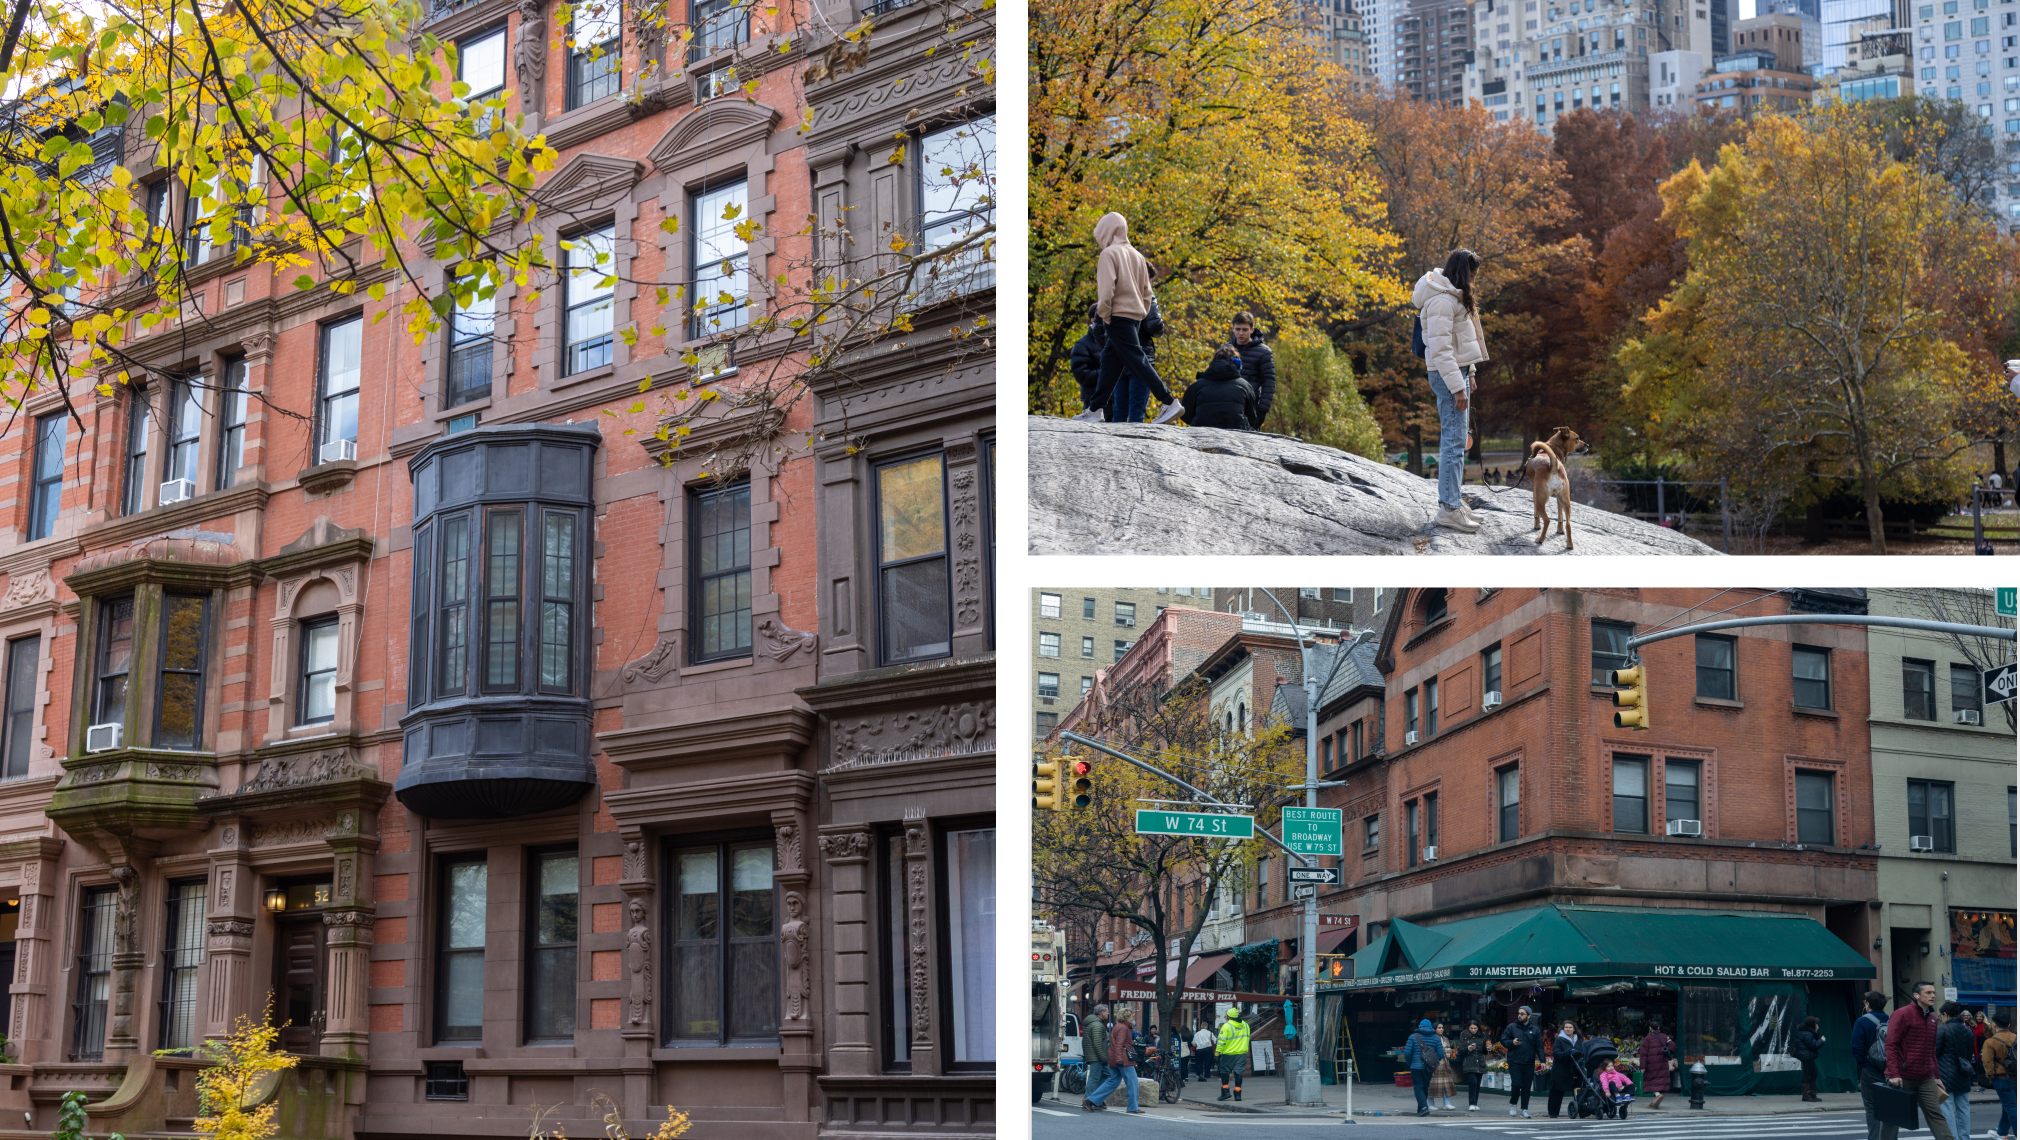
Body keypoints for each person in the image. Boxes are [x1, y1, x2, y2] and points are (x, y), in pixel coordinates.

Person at [1412, 248, 1490, 534]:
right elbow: (1441, 351)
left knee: (1457, 443)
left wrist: (1469, 373)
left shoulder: (1452, 298)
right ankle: (1448, 508)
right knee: (1454, 445)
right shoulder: (1442, 302)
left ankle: (1453, 503)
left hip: (1455, 374)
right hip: (1447, 377)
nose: (1472, 281)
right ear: (1461, 272)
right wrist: (1457, 387)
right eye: (1471, 275)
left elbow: (1459, 345)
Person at [1079, 213, 1179, 425]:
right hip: (1134, 316)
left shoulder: (1108, 254)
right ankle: (1095, 409)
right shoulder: (1137, 256)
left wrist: (1104, 315)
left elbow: (1106, 293)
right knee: (1110, 361)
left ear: (1107, 231)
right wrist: (1140, 312)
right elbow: (1147, 292)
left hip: (1116, 316)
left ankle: (1169, 402)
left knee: (1137, 360)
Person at [1887, 981, 1958, 1140]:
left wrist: (1937, 1076)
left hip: (1925, 1077)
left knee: (1935, 1114)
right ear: (1916, 995)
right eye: (1928, 993)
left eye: (1933, 992)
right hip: (1901, 1075)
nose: (1933, 995)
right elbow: (1891, 1045)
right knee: (1891, 1117)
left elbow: (1931, 1050)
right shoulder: (1902, 1014)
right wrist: (1893, 1073)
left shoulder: (1933, 1018)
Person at [1179, 345, 1260, 430]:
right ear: (1237, 364)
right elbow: (1253, 419)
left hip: (1202, 437)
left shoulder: (1196, 386)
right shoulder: (1245, 386)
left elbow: (1185, 416)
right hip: (1237, 438)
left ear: (1213, 362)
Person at [1082, 1006, 1144, 1114]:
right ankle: (1133, 1107)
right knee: (1132, 1082)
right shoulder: (1123, 1028)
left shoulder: (1117, 1026)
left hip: (1115, 1058)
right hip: (1123, 1059)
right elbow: (1119, 1045)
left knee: (1113, 1081)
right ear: (1126, 1017)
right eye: (1130, 1016)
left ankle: (1091, 1100)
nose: (1131, 1018)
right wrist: (1120, 1060)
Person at [1852, 990, 1894, 1140]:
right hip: (1891, 1070)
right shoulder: (1892, 1020)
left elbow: (1856, 1047)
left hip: (1870, 1069)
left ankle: (1875, 1137)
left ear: (1868, 1004)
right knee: (1891, 1107)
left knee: (1871, 1107)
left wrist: (1863, 1064)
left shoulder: (1862, 1021)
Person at [1228, 313, 1278, 430]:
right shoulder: (1225, 350)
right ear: (1233, 329)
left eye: (1245, 330)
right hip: (1227, 406)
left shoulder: (1264, 352)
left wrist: (1262, 411)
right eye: (1238, 329)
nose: (1241, 333)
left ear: (1252, 330)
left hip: (1250, 408)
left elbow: (1269, 382)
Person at [1937, 1001, 1977, 1140]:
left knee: (1947, 1108)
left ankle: (1952, 1137)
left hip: (1945, 1075)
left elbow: (1934, 1053)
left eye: (1941, 1015)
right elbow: (1969, 1052)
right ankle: (1964, 1137)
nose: (1940, 1018)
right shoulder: (1969, 1030)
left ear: (1945, 1014)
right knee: (1963, 1108)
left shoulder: (1942, 1030)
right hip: (1964, 1073)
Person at [1501, 1004, 1542, 1119]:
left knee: (1526, 1087)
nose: (1519, 1015)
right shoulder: (1511, 1027)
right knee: (1516, 1084)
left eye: (1522, 1014)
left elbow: (1539, 1047)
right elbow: (1503, 1040)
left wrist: (1542, 1061)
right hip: (1515, 1061)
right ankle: (1513, 1104)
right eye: (1518, 1013)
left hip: (1529, 1062)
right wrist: (1511, 1042)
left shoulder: (1535, 1030)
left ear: (1528, 1016)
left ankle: (1524, 1109)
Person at [1403, 1017, 1446, 1117]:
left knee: (1418, 1087)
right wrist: (1433, 1063)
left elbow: (1407, 1053)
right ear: (1431, 1027)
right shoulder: (1436, 1038)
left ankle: (1423, 1107)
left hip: (1415, 1067)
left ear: (1420, 1026)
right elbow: (1440, 1054)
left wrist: (1411, 1063)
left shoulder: (1413, 1037)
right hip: (1429, 1067)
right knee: (1425, 1087)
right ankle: (1421, 1109)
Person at [1983, 1009, 2015, 1140]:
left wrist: (1991, 1078)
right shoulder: (2017, 1038)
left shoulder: (1990, 1042)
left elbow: (1988, 1064)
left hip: (2002, 1079)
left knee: (2012, 1107)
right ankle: (2002, 1133)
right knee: (2008, 1105)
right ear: (2008, 1025)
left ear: (1994, 1025)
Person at [1068, 303, 1106, 411]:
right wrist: (1108, 372)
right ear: (1094, 320)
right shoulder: (1082, 344)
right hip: (1093, 401)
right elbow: (1082, 376)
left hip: (1117, 400)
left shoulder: (1114, 341)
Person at [1638, 1017, 1677, 1110]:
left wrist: (1642, 1067)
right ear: (1658, 1027)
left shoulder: (1647, 1038)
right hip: (1662, 1062)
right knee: (1659, 1079)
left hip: (1651, 1063)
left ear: (1650, 1028)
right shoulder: (1664, 1036)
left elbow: (1643, 1054)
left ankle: (1658, 1095)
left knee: (1651, 1080)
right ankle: (1656, 1099)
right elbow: (1673, 1046)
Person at [1547, 1019, 1580, 1119]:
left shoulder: (1579, 1040)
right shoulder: (1559, 1040)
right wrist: (1569, 1052)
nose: (1568, 1029)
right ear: (1563, 1028)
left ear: (1574, 1029)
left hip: (1575, 1070)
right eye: (1566, 1027)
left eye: (1570, 1027)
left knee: (1579, 1091)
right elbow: (1556, 1054)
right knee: (1557, 1092)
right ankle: (1553, 1112)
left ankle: (1581, 1110)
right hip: (1560, 1070)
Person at [1217, 1006, 1251, 1102]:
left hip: (1228, 1054)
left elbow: (1221, 1041)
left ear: (1229, 1017)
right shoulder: (1245, 1025)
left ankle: (1225, 1092)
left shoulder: (1226, 1026)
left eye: (1226, 1015)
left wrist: (1216, 1054)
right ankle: (1238, 1094)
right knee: (1238, 1073)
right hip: (1241, 1054)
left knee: (1224, 1072)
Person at [1458, 1018, 1492, 1111]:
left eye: (1475, 1028)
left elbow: (1484, 1051)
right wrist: (1468, 1048)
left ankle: (1475, 1103)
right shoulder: (1464, 1036)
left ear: (1478, 1028)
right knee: (1472, 1082)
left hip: (1480, 1062)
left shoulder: (1482, 1036)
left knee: (1477, 1084)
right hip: (1469, 1061)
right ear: (1468, 1028)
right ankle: (1471, 1103)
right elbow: (1460, 1050)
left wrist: (1488, 1049)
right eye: (1471, 1028)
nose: (1473, 1030)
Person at [1794, 1015, 1826, 1102]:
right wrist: (1822, 1041)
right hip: (1807, 1056)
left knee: (1813, 1074)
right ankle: (1807, 1095)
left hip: (1807, 1056)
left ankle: (1812, 1094)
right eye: (1815, 1023)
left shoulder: (1806, 1032)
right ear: (1812, 1025)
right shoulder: (1807, 1034)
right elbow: (1813, 1045)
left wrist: (1815, 1031)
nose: (1816, 1024)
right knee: (1807, 1074)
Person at [1084, 1004, 1113, 1103]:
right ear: (1102, 1013)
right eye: (1107, 1011)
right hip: (1097, 1056)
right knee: (1094, 1078)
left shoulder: (1093, 1023)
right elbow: (1097, 1043)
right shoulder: (1097, 1025)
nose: (1108, 1013)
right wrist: (1103, 1058)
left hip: (1096, 1055)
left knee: (1107, 1075)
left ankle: (1096, 1099)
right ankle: (1089, 1101)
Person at [1428, 1023, 1458, 1110]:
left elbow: (1448, 1050)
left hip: (1445, 1064)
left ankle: (1447, 1103)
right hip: (1434, 1063)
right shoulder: (1431, 1039)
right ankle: (1430, 1104)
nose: (1441, 1029)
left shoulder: (1445, 1039)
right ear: (1434, 1029)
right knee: (1432, 1085)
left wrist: (1450, 1053)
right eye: (1439, 1028)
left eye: (1442, 1028)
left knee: (1446, 1084)